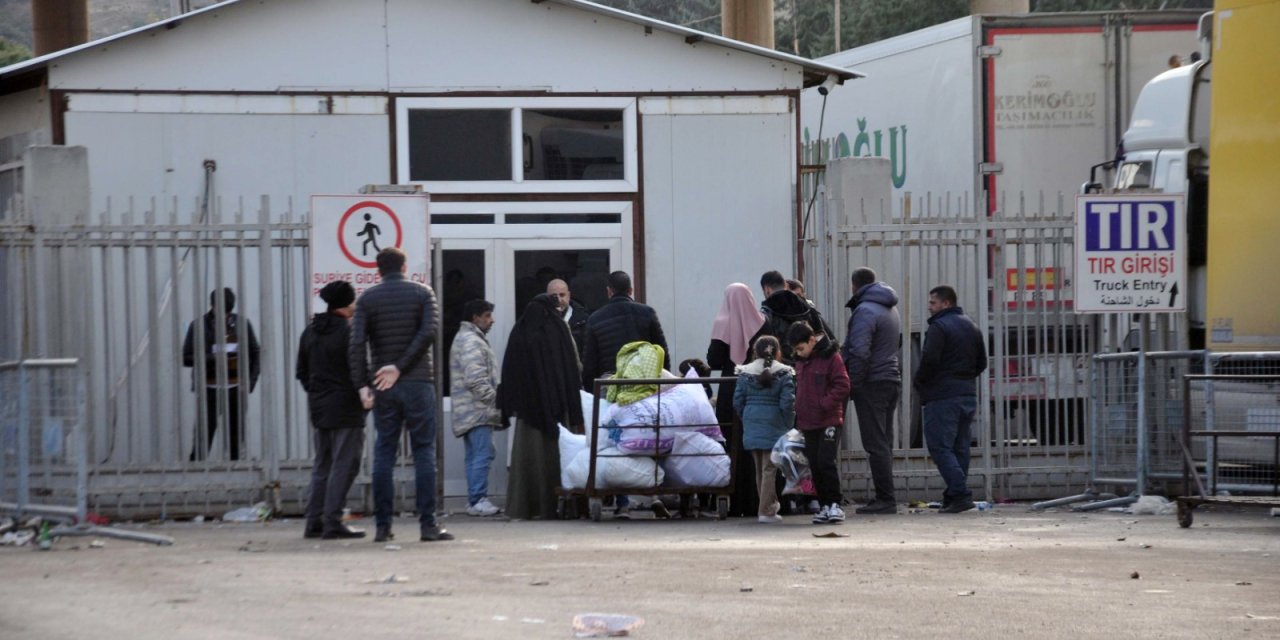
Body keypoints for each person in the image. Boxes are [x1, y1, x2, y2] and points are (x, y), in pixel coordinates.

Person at [348, 247, 452, 543]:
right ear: (405, 266)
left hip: (384, 385)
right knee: (424, 452)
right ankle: (428, 525)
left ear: (377, 270)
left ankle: (383, 527)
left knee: (384, 452)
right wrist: (402, 366)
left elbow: (356, 344)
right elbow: (429, 332)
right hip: (419, 382)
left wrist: (363, 384)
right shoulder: (423, 293)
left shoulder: (367, 298)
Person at [498, 293, 585, 520]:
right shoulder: (559, 329)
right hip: (558, 408)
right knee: (558, 456)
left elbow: (510, 370)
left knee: (527, 459)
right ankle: (559, 506)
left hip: (529, 412)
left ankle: (524, 507)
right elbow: (574, 366)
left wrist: (514, 401)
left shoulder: (520, 330)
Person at [297, 281, 370, 540]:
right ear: (348, 303)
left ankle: (313, 522)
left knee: (322, 465)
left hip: (319, 407)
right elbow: (358, 370)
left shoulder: (310, 332)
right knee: (345, 465)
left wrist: (318, 393)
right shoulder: (349, 332)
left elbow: (302, 372)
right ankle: (332, 521)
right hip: (347, 407)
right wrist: (364, 394)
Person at [915, 285, 987, 514]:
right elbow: (982, 362)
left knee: (940, 447)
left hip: (943, 396)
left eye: (933, 303)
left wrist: (921, 383)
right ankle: (954, 496)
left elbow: (929, 361)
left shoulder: (939, 327)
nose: (929, 307)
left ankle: (961, 494)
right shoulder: (971, 325)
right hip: (967, 394)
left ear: (946, 303)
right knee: (960, 448)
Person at [841, 267, 903, 515]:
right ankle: (886, 496)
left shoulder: (865, 310)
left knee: (875, 443)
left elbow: (859, 351)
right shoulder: (890, 307)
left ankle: (885, 499)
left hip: (872, 382)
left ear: (854, 286)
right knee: (884, 442)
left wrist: (853, 384)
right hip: (890, 379)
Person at [706, 282, 766, 518]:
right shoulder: (762, 322)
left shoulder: (722, 324)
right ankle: (759, 501)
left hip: (732, 388)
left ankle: (735, 501)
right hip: (758, 387)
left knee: (732, 442)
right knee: (757, 442)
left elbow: (715, 359)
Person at [183, 287, 260, 461]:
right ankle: (196, 473)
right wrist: (211, 359)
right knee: (203, 437)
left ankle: (235, 476)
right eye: (220, 312)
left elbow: (256, 353)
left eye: (227, 313)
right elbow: (185, 357)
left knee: (235, 439)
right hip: (208, 389)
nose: (224, 317)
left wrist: (249, 382)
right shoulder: (199, 325)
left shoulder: (241, 324)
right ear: (212, 306)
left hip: (235, 389)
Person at [787, 321, 850, 524]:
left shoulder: (831, 357)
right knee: (814, 464)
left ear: (812, 340)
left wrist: (824, 404)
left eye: (801, 348)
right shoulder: (799, 363)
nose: (799, 353)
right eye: (795, 350)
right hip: (808, 422)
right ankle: (824, 505)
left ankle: (835, 504)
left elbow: (843, 385)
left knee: (825, 461)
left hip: (829, 419)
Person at [733, 336, 796, 524]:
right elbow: (788, 402)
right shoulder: (784, 373)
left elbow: (737, 401)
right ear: (778, 352)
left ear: (755, 351)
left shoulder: (744, 373)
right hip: (775, 422)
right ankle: (767, 511)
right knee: (770, 469)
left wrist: (747, 417)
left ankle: (766, 507)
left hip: (752, 421)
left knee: (760, 468)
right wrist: (788, 423)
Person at [449, 299, 502, 518]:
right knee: (483, 454)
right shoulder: (472, 341)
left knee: (476, 455)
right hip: (477, 410)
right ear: (475, 318)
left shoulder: (468, 339)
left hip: (471, 410)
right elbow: (475, 380)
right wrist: (495, 401)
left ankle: (475, 499)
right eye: (487, 316)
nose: (492, 320)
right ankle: (478, 499)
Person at [580, 271, 669, 391]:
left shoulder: (595, 319)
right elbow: (662, 352)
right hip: (644, 382)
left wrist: (592, 391)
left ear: (609, 291)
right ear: (630, 290)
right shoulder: (648, 313)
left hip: (610, 385)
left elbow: (589, 363)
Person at [754, 270, 835, 364]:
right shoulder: (808, 308)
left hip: (782, 371)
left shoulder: (766, 314)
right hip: (811, 368)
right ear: (785, 285)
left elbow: (766, 348)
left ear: (766, 289)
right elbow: (823, 338)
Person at [547, 278, 590, 359]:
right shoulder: (539, 320)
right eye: (554, 296)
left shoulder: (583, 320)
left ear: (569, 295)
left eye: (562, 295)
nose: (558, 300)